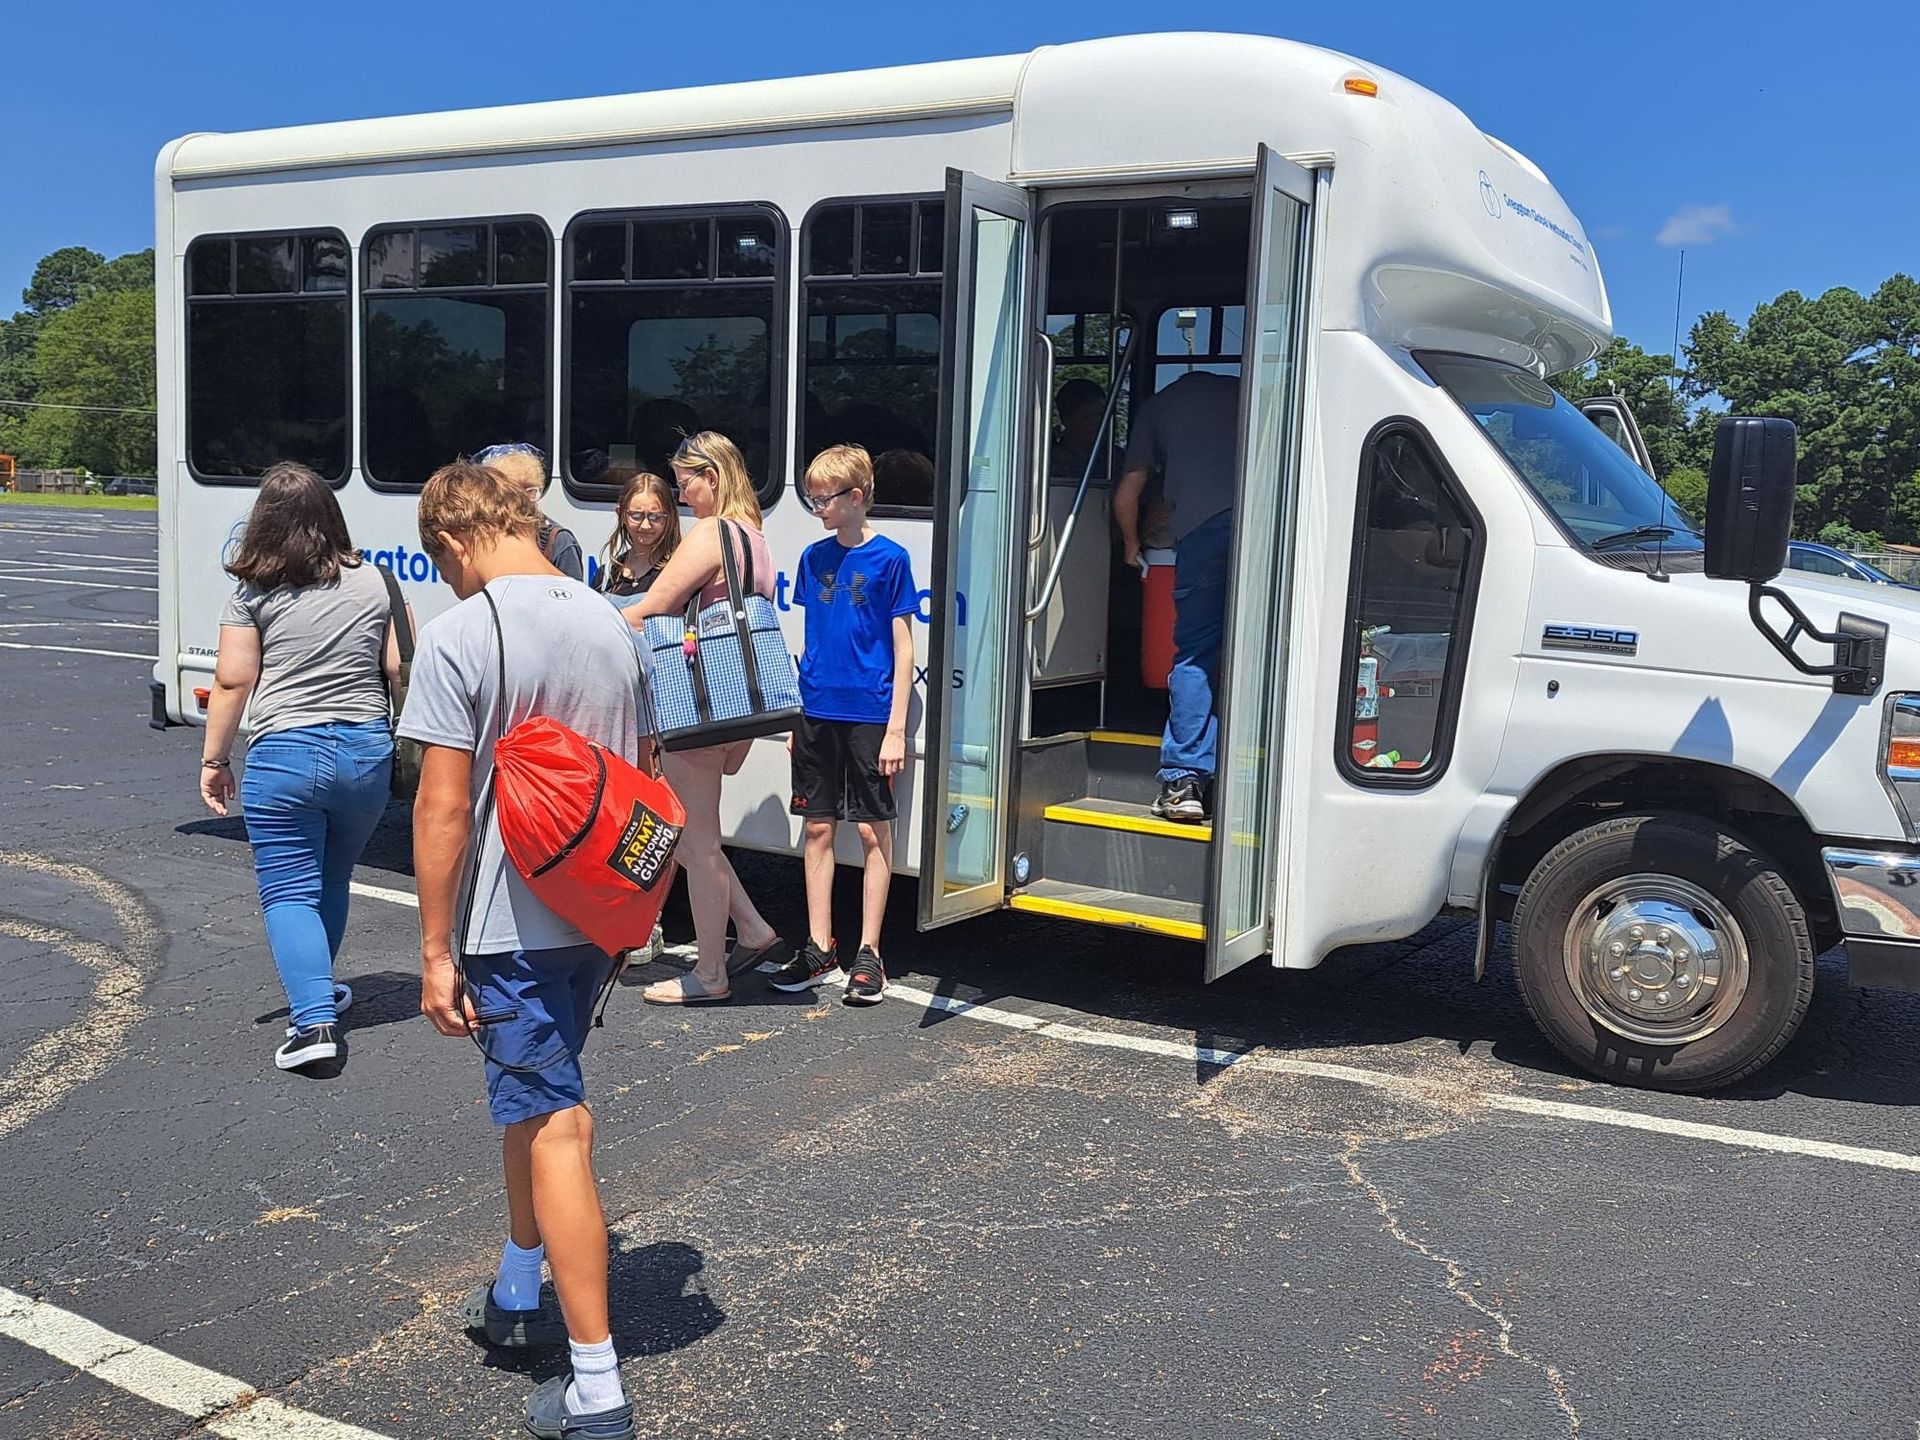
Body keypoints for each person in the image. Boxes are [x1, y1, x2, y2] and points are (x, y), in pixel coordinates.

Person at [402, 461, 642, 1440]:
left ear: (457, 539)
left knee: (558, 1126)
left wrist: (431, 948)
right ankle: (514, 1282)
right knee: (531, 1100)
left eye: (440, 563)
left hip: (512, 929)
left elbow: (442, 803)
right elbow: (643, 776)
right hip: (599, 916)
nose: (447, 581)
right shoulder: (611, 622)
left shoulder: (463, 633)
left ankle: (597, 1391)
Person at [199, 462, 403, 1072]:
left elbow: (234, 679)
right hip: (366, 750)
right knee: (332, 878)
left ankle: (312, 1022)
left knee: (288, 890)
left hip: (285, 752)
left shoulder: (252, 590)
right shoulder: (378, 582)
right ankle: (320, 990)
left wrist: (214, 759)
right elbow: (396, 667)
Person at [624, 432, 790, 1003]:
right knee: (697, 838)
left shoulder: (713, 531)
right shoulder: (754, 536)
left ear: (712, 477)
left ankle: (711, 975)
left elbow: (651, 608)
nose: (681, 494)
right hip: (735, 706)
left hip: (695, 705)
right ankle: (753, 929)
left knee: (694, 845)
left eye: (685, 481)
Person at [766, 445, 916, 1005]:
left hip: (870, 715)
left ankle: (871, 952)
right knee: (818, 830)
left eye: (823, 499)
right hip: (817, 712)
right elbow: (812, 638)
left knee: (874, 831)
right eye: (812, 498)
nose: (816, 508)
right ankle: (818, 945)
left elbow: (903, 646)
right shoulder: (812, 556)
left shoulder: (891, 559)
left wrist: (896, 726)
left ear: (856, 498)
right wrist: (797, 713)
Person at [1113, 371, 1242, 823]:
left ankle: (1184, 781)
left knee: (1196, 653)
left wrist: (1131, 545)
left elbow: (1130, 491)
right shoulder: (1247, 389)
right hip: (1269, 519)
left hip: (1201, 533)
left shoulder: (1157, 407)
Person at [472, 442, 584, 582]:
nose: (522, 502)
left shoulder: (559, 542)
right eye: (512, 494)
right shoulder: (481, 536)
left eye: (530, 492)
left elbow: (574, 598)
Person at [596, 469, 680, 603]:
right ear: (621, 514)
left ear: (669, 518)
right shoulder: (606, 576)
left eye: (655, 517)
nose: (645, 525)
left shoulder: (678, 572)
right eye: (636, 516)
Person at [1050, 376, 1107, 479]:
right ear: (1066, 419)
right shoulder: (1052, 463)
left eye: (1101, 414)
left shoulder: (1117, 459)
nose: (1098, 422)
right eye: (1087, 416)